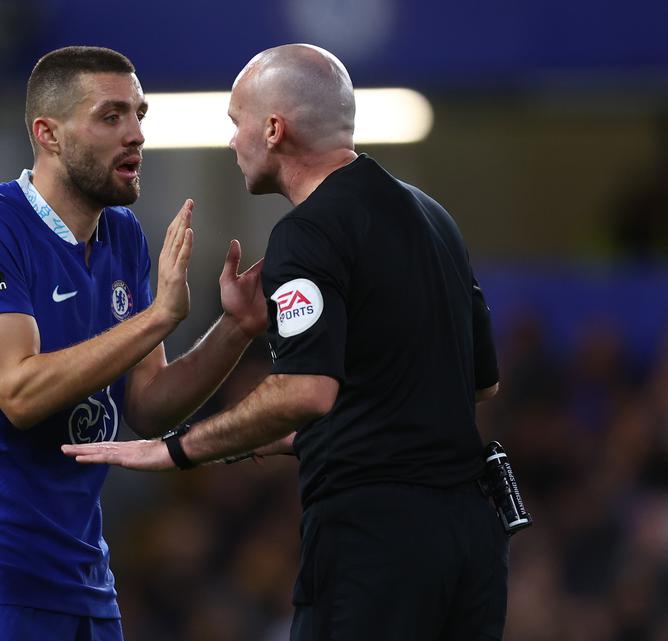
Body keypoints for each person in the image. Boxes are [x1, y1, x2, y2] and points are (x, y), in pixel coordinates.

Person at [63, 44, 508, 641]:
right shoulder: (433, 217)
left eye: (236, 122)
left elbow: (304, 392)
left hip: (375, 541)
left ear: (274, 130)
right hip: (473, 539)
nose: (232, 142)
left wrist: (177, 450)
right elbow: (480, 383)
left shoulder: (308, 231)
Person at [0, 46, 266, 641]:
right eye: (110, 116)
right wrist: (157, 318)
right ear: (48, 134)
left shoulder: (123, 237)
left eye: (139, 115)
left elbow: (146, 405)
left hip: (84, 578)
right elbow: (19, 393)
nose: (136, 134)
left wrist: (235, 330)